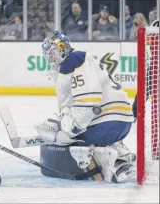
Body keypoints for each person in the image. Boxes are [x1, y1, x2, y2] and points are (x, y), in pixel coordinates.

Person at [35, 31, 136, 183]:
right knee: (64, 127)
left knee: (67, 137)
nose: (50, 57)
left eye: (53, 52)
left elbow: (88, 101)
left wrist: (71, 130)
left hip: (107, 123)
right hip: (121, 122)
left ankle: (103, 161)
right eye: (47, 55)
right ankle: (122, 155)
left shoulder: (74, 60)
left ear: (62, 48)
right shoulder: (80, 59)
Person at [132, 18, 159, 119]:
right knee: (145, 89)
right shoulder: (157, 23)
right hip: (156, 64)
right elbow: (150, 42)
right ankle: (135, 113)